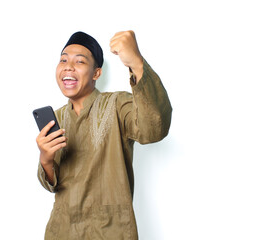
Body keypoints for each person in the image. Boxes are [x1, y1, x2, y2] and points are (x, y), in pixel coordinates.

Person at [36, 30, 172, 240]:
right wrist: (45, 160)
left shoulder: (118, 104)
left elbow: (154, 129)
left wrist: (136, 63)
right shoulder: (56, 119)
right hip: (62, 231)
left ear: (96, 73)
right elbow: (54, 184)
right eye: (63, 60)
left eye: (79, 61)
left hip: (111, 231)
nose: (68, 66)